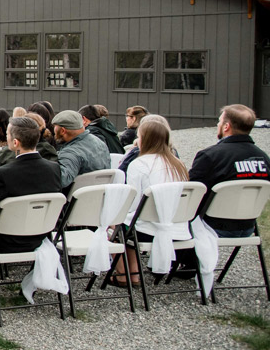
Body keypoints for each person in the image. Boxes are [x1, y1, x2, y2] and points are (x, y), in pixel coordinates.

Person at [112, 116, 191, 285]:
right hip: (179, 228)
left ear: (146, 139)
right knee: (126, 222)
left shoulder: (139, 164)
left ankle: (125, 274)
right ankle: (131, 273)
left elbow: (133, 206)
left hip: (147, 229)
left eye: (139, 136)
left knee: (111, 223)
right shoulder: (179, 164)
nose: (136, 140)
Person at [0, 116, 63, 252]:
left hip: (6, 240)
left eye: (8, 134)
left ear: (15, 142)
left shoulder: (4, 173)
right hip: (42, 236)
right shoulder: (54, 169)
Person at [190, 104, 270, 237]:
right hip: (248, 227)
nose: (218, 125)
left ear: (226, 126)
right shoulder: (264, 159)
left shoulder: (210, 156)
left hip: (212, 227)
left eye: (219, 121)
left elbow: (192, 194)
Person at [52, 110, 110, 188]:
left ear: (63, 131)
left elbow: (60, 181)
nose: (53, 131)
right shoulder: (100, 142)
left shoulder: (71, 153)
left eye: (54, 127)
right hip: (99, 196)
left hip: (75, 198)